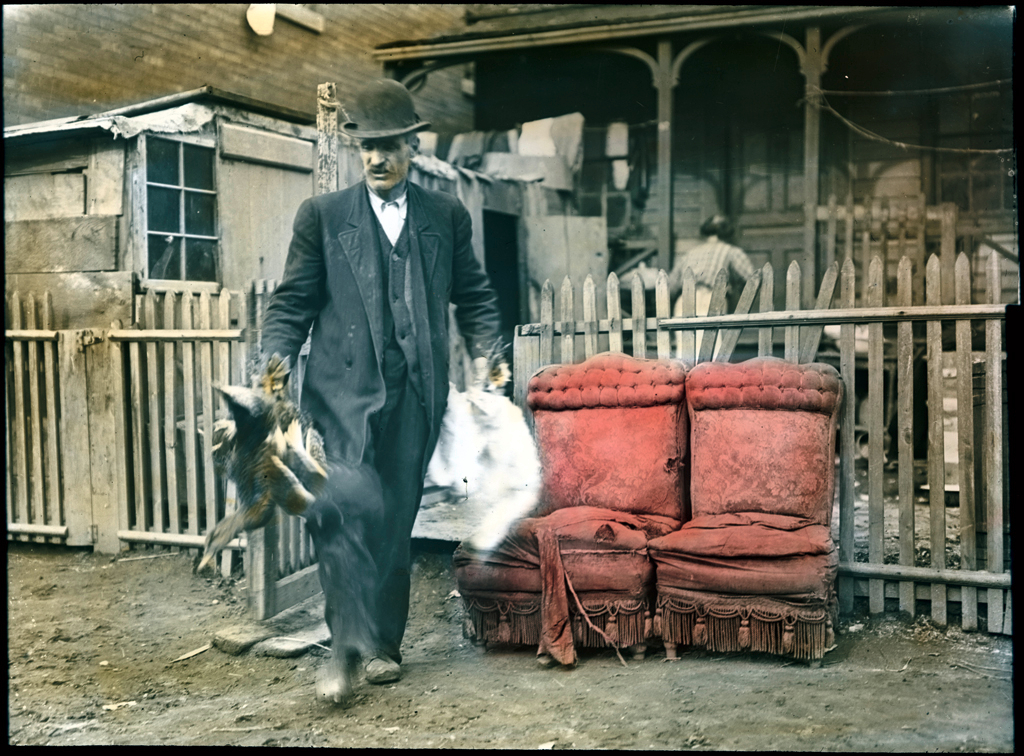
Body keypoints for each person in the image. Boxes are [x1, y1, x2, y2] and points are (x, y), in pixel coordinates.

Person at [259, 79, 502, 705]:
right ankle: (344, 647)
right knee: (340, 513)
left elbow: (473, 295)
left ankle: (384, 647)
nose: (377, 158)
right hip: (340, 398)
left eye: (390, 145)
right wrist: (276, 361)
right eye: (366, 146)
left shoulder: (445, 215)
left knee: (394, 520)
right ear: (355, 148)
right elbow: (291, 304)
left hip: (415, 397)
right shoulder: (323, 216)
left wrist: (487, 354)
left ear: (413, 145)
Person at [667, 214, 755, 359]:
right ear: (727, 231)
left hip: (685, 300)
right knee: (713, 352)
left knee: (685, 352)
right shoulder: (731, 251)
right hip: (711, 299)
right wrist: (737, 291)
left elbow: (671, 286)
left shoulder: (690, 253)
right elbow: (752, 279)